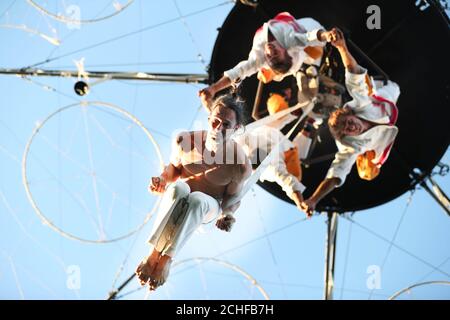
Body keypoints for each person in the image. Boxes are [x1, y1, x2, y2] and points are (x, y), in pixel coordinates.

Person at [135, 94, 252, 290]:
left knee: (197, 199)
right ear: (209, 120)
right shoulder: (185, 140)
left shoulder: (239, 165)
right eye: (216, 121)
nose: (219, 128)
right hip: (179, 197)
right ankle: (154, 253)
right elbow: (173, 170)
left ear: (236, 129)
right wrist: (162, 180)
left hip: (208, 207)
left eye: (226, 124)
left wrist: (228, 215)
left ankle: (166, 260)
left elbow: (232, 198)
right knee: (179, 187)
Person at [301, 28, 400, 215]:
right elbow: (336, 174)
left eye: (348, 122)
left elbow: (353, 75)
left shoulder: (361, 104)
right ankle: (366, 163)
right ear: (347, 136)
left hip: (385, 99)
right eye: (347, 129)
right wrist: (314, 199)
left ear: (351, 114)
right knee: (367, 174)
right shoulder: (352, 146)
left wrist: (341, 47)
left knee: (394, 88)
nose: (351, 127)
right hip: (380, 143)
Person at [198, 12, 336, 108]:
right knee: (313, 49)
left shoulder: (261, 57)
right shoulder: (289, 40)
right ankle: (303, 69)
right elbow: (310, 37)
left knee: (265, 73)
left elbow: (239, 71)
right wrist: (327, 35)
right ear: (285, 51)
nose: (270, 51)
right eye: (276, 54)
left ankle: (301, 69)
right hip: (307, 30)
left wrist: (213, 89)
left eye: (270, 57)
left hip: (300, 49)